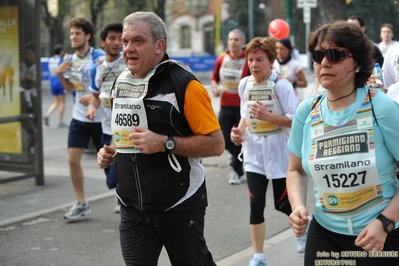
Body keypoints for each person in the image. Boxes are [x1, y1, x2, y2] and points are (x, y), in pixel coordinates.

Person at [96, 11, 224, 265]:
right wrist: (109, 150)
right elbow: (121, 134)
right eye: (125, 42)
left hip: (179, 202)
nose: (128, 49)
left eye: (138, 41)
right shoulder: (121, 82)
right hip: (132, 205)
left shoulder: (185, 84)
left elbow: (216, 144)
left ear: (159, 45)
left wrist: (165, 142)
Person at [287, 21, 399, 266]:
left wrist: (385, 222)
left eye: (336, 55)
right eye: (318, 55)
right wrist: (296, 207)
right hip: (325, 234)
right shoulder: (306, 111)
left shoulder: (380, 107)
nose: (325, 62)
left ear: (357, 63)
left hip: (379, 235)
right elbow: (295, 169)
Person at [230, 37, 299, 266]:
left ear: (271, 61)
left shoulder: (282, 85)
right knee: (255, 203)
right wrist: (238, 133)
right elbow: (245, 116)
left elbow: (295, 119)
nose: (254, 64)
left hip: (279, 150)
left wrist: (269, 116)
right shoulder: (245, 84)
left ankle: (304, 231)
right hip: (254, 153)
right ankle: (258, 255)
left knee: (283, 204)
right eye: (250, 59)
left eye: (260, 59)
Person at [57, 17, 105, 220]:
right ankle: (82, 203)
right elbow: (70, 90)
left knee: (110, 165)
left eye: (77, 33)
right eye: (71, 34)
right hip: (79, 118)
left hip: (101, 118)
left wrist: (94, 97)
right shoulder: (69, 60)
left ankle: (124, 197)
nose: (73, 37)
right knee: (72, 160)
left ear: (87, 36)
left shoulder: (99, 57)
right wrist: (60, 75)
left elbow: (109, 84)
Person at [86, 22, 124, 213]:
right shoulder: (97, 69)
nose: (117, 43)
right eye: (112, 38)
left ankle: (124, 198)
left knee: (115, 176)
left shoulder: (129, 64)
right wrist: (92, 106)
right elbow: (95, 94)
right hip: (106, 127)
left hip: (124, 128)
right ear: (102, 42)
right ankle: (121, 194)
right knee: (109, 172)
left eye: (120, 38)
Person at [211, 28, 250, 185]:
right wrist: (214, 88)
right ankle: (243, 157)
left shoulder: (248, 59)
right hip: (225, 105)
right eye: (231, 39)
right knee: (225, 140)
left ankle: (237, 169)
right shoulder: (221, 59)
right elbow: (214, 78)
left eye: (236, 40)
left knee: (239, 138)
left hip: (242, 107)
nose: (233, 42)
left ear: (242, 42)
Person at [44, 44, 67, 128]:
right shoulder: (61, 61)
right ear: (60, 52)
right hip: (60, 82)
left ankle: (47, 114)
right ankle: (60, 121)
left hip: (52, 82)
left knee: (56, 102)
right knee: (62, 102)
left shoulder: (50, 60)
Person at [22, 45, 37, 111]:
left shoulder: (36, 65)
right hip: (26, 90)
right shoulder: (26, 65)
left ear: (34, 54)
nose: (27, 56)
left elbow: (36, 80)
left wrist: (29, 77)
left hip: (34, 91)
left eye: (29, 53)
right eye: (26, 54)